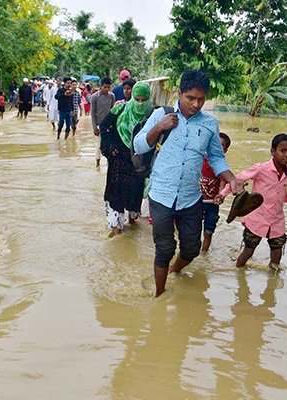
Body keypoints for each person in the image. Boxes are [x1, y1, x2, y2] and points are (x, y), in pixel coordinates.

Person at [133, 69, 244, 297]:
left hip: (191, 197)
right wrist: (159, 127)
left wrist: (232, 179)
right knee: (164, 248)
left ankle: (175, 270)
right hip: (161, 195)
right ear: (180, 93)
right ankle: (159, 296)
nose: (196, 104)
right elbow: (139, 146)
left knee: (192, 249)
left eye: (201, 99)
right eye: (190, 98)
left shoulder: (210, 124)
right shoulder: (161, 115)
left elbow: (215, 157)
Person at [219, 134, 287, 270]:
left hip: (277, 221)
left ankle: (272, 283)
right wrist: (222, 195)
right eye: (283, 151)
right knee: (249, 251)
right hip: (257, 219)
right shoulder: (261, 169)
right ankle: (237, 273)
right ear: (273, 151)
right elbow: (237, 180)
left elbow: (283, 193)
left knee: (277, 253)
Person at [100, 82, 152, 237]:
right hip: (118, 160)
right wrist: (110, 148)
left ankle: (132, 219)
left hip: (138, 162)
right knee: (116, 194)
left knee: (135, 194)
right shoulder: (120, 109)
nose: (140, 104)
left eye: (144, 100)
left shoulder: (152, 115)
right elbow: (104, 126)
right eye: (137, 100)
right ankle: (115, 228)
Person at [200, 132, 231, 252]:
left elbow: (223, 183)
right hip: (196, 201)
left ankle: (204, 253)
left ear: (225, 150)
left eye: (221, 145)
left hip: (212, 204)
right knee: (193, 229)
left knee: (208, 231)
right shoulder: (199, 160)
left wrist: (220, 195)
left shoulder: (222, 166)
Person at [90, 77, 115, 168]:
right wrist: (94, 127)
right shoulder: (95, 97)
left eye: (108, 87)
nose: (107, 89)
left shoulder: (112, 96)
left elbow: (113, 110)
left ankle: (110, 163)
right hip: (99, 124)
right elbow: (92, 113)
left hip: (109, 124)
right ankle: (97, 163)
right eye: (105, 87)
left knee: (110, 143)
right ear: (101, 86)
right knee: (99, 144)